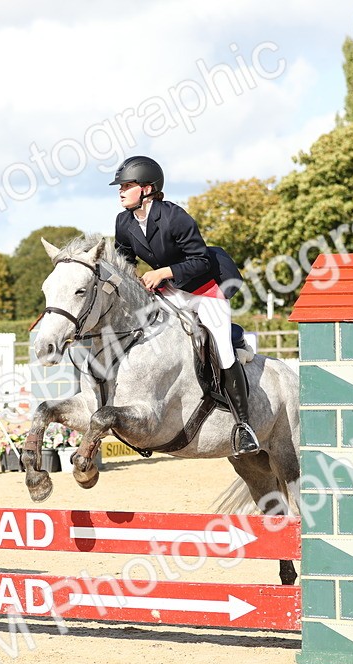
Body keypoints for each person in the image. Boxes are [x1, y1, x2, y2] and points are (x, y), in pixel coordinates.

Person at [110, 155, 260, 457]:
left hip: (204, 288)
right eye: (121, 186)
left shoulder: (174, 217)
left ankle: (244, 427)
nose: (121, 191)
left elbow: (201, 260)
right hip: (170, 292)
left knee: (222, 349)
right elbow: (124, 261)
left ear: (148, 188)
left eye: (128, 185)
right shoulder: (123, 222)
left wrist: (163, 272)